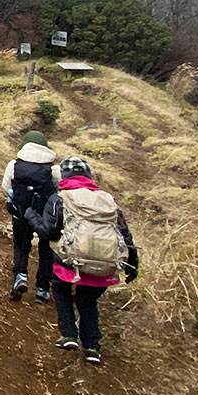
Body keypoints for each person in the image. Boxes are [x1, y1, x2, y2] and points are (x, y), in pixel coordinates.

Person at [25, 156, 139, 364]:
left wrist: (31, 215)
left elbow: (47, 231)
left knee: (60, 289)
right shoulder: (108, 200)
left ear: (64, 177)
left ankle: (69, 334)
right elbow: (125, 236)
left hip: (71, 264)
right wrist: (132, 266)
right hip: (105, 265)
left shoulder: (60, 199)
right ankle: (92, 347)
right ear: (90, 177)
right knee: (87, 301)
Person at [1, 131, 60, 303]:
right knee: (46, 249)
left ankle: (20, 276)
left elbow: (6, 187)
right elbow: (57, 193)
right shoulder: (53, 169)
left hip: (21, 213)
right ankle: (42, 288)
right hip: (45, 216)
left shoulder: (14, 165)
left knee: (21, 244)